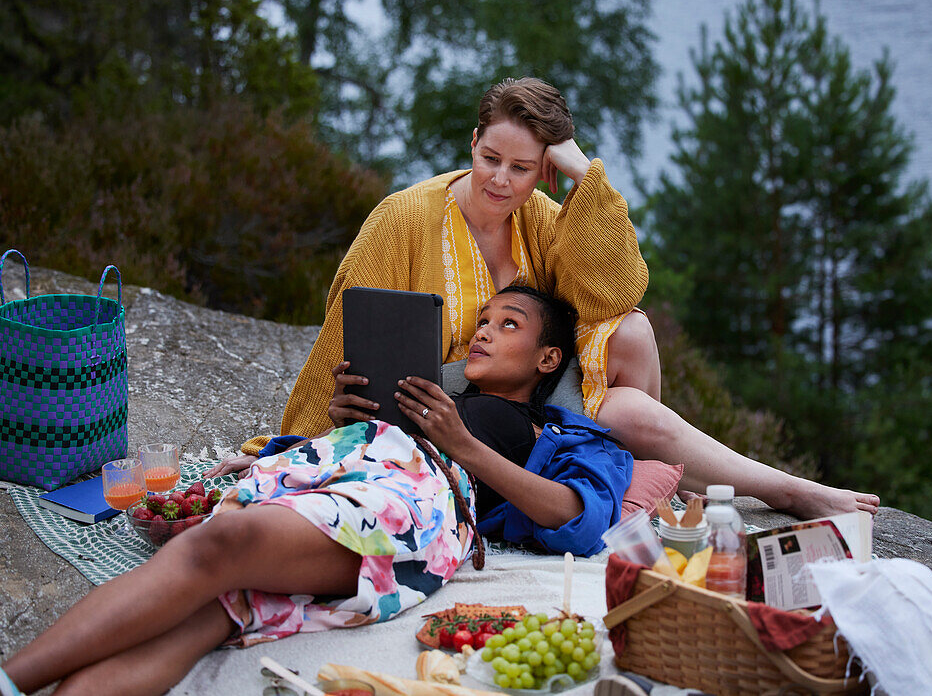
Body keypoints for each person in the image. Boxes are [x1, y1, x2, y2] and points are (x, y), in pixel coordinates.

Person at [214, 75, 877, 520]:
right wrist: (318, 425)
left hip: (528, 388)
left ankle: (654, 489)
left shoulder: (539, 215)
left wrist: (583, 173)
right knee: (632, 412)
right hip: (449, 401)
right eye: (491, 158)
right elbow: (349, 328)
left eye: (524, 167)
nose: (501, 180)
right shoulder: (405, 218)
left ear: (545, 169)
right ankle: (780, 491)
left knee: (636, 332)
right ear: (473, 143)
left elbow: (617, 290)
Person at [0, 287, 632, 696]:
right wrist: (352, 422)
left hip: (423, 495)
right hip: (349, 469)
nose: (484, 331)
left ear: (549, 361)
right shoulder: (441, 396)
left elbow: (575, 519)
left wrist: (462, 444)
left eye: (509, 324)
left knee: (220, 543)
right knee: (211, 611)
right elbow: (372, 444)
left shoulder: (566, 434)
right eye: (484, 318)